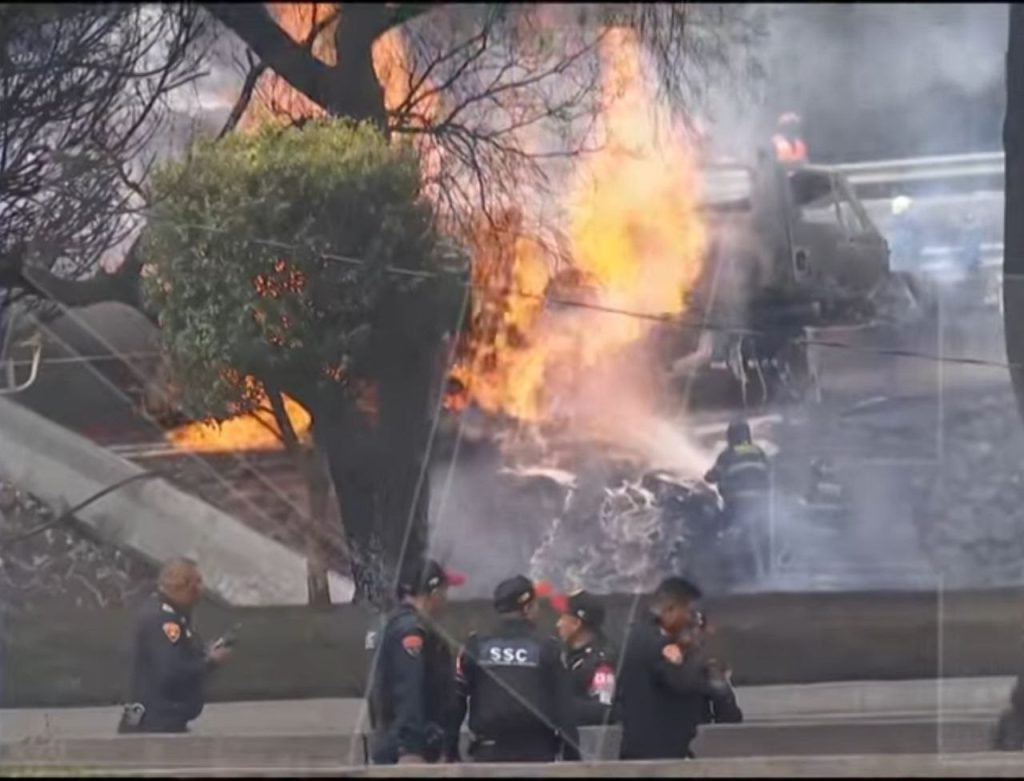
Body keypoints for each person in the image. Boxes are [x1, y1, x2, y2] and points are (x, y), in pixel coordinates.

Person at [451, 575, 580, 763]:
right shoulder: (548, 647)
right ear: (527, 608)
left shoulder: (476, 645)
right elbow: (564, 708)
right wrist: (573, 757)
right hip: (537, 754)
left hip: (488, 754)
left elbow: (457, 699)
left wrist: (450, 749)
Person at [615, 576, 741, 760]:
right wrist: (697, 653)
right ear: (671, 609)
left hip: (650, 751)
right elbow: (682, 682)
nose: (690, 619)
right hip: (658, 753)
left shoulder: (636, 635)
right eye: (688, 611)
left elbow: (729, 715)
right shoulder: (656, 643)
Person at [367, 558, 465, 765]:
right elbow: (408, 689)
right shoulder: (411, 631)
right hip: (409, 751)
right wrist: (409, 749)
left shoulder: (395, 625)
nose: (446, 599)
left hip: (407, 743)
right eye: (444, 591)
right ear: (433, 593)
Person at [120, 558, 231, 734]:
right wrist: (210, 662)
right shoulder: (162, 619)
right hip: (155, 725)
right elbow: (171, 671)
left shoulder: (170, 614)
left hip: (158, 720)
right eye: (196, 583)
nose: (201, 590)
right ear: (181, 585)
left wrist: (203, 654)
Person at [553, 589, 617, 726]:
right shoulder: (561, 653)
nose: (558, 624)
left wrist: (561, 705)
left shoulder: (601, 662)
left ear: (576, 624)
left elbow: (603, 709)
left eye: (563, 618)